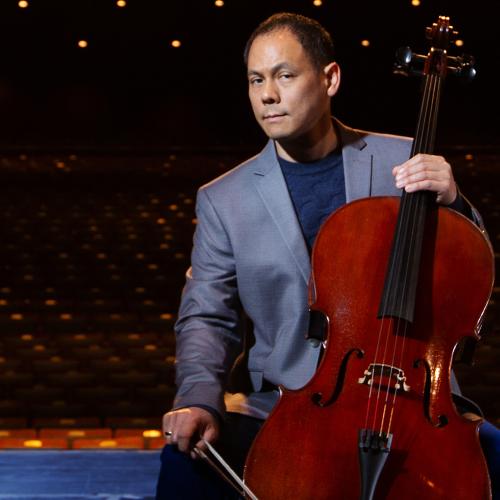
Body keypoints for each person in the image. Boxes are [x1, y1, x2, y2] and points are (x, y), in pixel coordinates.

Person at [156, 12, 498, 500]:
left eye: (284, 75)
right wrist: (196, 400)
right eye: (256, 80)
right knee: (182, 459)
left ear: (330, 79)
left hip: (408, 401)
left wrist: (457, 203)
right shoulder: (223, 199)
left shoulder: (404, 164)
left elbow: (470, 270)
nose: (267, 94)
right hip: (281, 405)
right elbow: (207, 315)